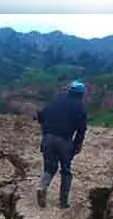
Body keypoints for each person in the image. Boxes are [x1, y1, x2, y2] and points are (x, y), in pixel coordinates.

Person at [35, 80, 88, 209]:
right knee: (66, 171)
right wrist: (77, 146)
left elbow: (40, 116)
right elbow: (81, 130)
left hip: (48, 139)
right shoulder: (80, 107)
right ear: (81, 94)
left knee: (49, 168)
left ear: (69, 91)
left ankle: (42, 187)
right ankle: (63, 203)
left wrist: (46, 131)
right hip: (64, 141)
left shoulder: (56, 102)